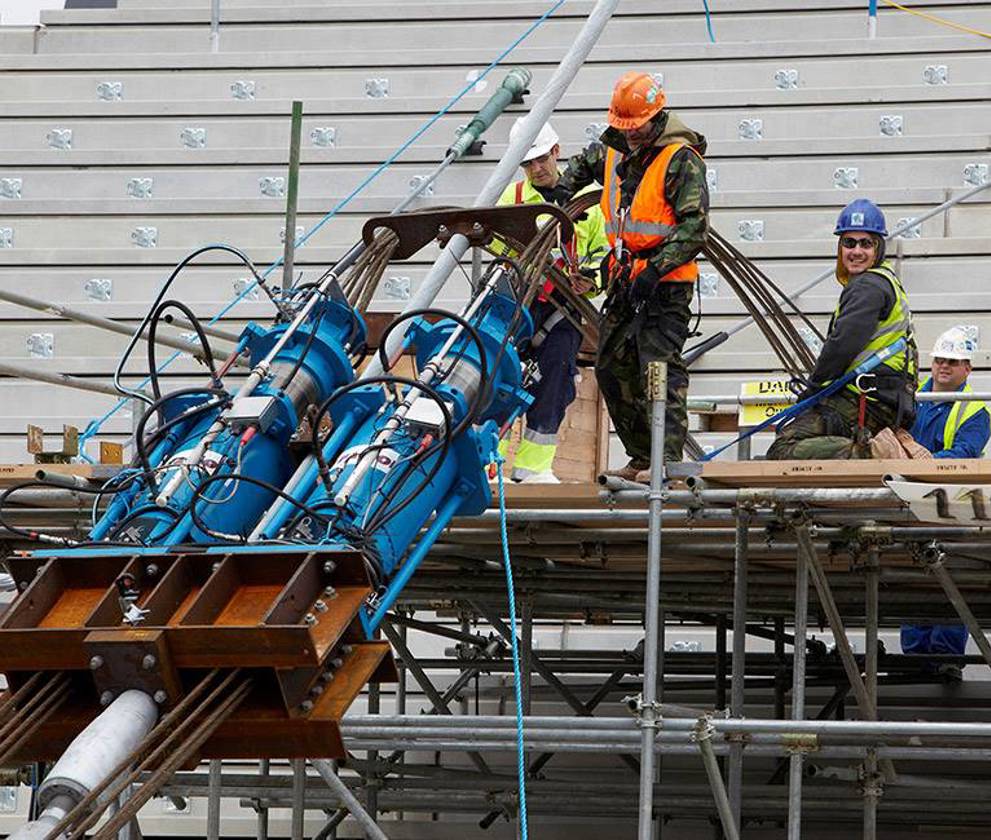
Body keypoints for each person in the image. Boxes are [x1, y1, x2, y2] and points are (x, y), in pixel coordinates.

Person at [550, 71, 709, 479]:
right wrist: (563, 194)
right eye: (625, 127)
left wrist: (655, 271)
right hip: (625, 275)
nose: (631, 135)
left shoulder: (679, 159)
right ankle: (642, 456)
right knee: (611, 366)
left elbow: (694, 229)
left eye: (636, 127)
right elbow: (582, 167)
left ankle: (666, 460)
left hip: (665, 283)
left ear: (655, 118)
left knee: (658, 368)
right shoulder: (615, 147)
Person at [496, 118, 608, 483]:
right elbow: (497, 254)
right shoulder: (511, 200)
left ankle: (532, 468)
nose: (536, 169)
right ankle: (489, 464)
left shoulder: (589, 203)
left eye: (541, 159)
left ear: (556, 151)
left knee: (555, 381)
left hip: (564, 308)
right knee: (499, 382)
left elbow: (606, 258)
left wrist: (587, 282)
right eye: (528, 163)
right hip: (519, 305)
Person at [766, 199, 918, 460]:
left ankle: (871, 450)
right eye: (849, 243)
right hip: (884, 399)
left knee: (783, 450)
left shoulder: (868, 287)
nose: (856, 251)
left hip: (865, 399)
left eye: (865, 243)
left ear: (879, 247)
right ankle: (878, 445)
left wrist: (812, 391)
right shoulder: (886, 282)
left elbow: (842, 345)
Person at [909, 327, 989, 459]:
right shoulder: (912, 394)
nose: (944, 365)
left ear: (967, 369)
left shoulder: (976, 412)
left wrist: (924, 462)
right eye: (939, 360)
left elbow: (964, 453)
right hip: (898, 475)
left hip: (943, 479)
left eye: (952, 361)